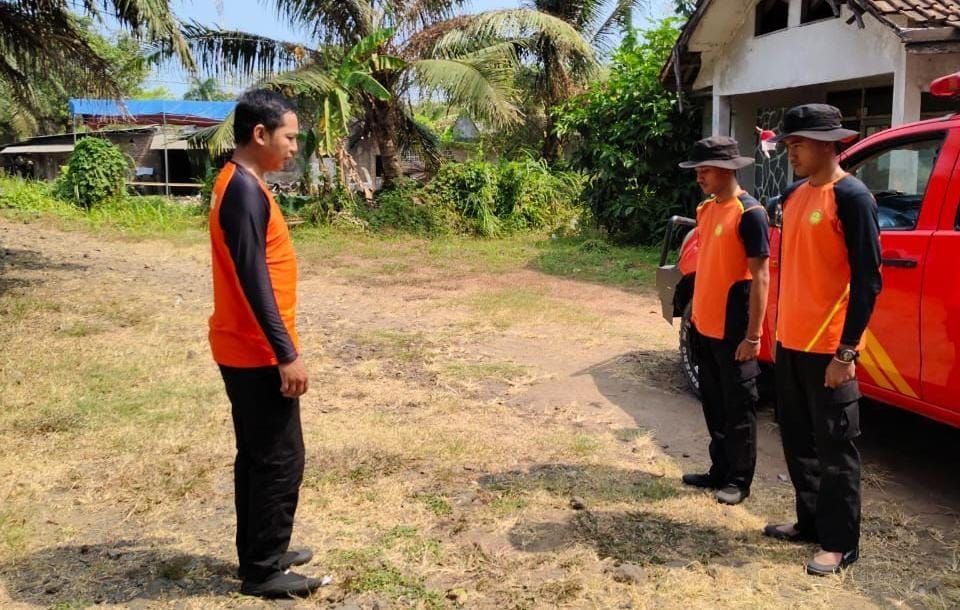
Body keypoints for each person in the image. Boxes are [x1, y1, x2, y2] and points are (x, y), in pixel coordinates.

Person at [208, 89, 321, 598]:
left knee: (257, 455)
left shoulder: (242, 183)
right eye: (290, 137)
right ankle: (263, 569)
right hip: (256, 352)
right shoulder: (245, 191)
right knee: (279, 458)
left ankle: (261, 550)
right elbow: (254, 279)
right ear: (260, 134)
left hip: (245, 346)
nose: (295, 146)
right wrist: (286, 354)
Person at [763, 104, 882, 576]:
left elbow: (868, 280)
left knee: (836, 450)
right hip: (790, 344)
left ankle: (840, 543)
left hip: (830, 349)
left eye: (800, 143)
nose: (790, 150)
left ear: (830, 144)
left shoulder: (852, 197)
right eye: (789, 143)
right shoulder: (794, 196)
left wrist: (847, 351)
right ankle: (809, 522)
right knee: (797, 441)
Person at [678, 136, 771, 506]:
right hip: (705, 325)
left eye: (704, 171)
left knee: (739, 408)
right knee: (713, 403)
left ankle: (738, 479)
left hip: (734, 328)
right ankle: (718, 469)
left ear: (727, 170)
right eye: (697, 171)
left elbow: (761, 277)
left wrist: (753, 335)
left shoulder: (750, 214)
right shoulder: (706, 210)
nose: (699, 177)